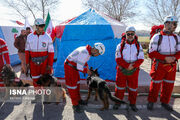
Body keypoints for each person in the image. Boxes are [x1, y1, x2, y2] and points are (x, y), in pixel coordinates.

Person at [147, 15, 180, 112]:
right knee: (155, 84)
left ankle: (165, 102)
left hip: (171, 66)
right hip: (159, 65)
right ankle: (151, 101)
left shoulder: (177, 38)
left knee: (169, 85)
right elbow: (151, 53)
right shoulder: (157, 37)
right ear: (167, 24)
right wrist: (165, 58)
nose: (175, 26)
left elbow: (179, 51)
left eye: (175, 24)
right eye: (173, 24)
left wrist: (174, 58)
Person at [64, 43, 105, 113]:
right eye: (98, 54)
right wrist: (87, 72)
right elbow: (79, 67)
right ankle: (75, 104)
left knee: (77, 83)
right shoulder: (84, 52)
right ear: (96, 50)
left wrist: (87, 68)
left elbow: (83, 62)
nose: (97, 56)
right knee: (72, 86)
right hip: (70, 67)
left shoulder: (87, 51)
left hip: (74, 67)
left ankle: (78, 100)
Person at [113, 26, 144, 112]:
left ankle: (132, 103)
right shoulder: (120, 45)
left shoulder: (138, 45)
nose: (130, 35)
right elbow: (117, 58)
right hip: (122, 70)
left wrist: (133, 66)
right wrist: (127, 66)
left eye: (132, 34)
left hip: (134, 70)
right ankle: (117, 102)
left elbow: (141, 58)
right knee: (119, 87)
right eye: (128, 34)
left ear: (134, 34)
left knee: (133, 88)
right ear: (125, 34)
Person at [25, 18, 54, 102]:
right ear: (36, 26)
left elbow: (51, 52)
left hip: (44, 63)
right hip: (33, 63)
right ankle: (37, 96)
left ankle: (46, 97)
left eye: (43, 26)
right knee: (35, 80)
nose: (42, 28)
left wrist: (50, 65)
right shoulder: (29, 37)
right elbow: (27, 51)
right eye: (41, 26)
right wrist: (27, 63)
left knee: (46, 80)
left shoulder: (47, 37)